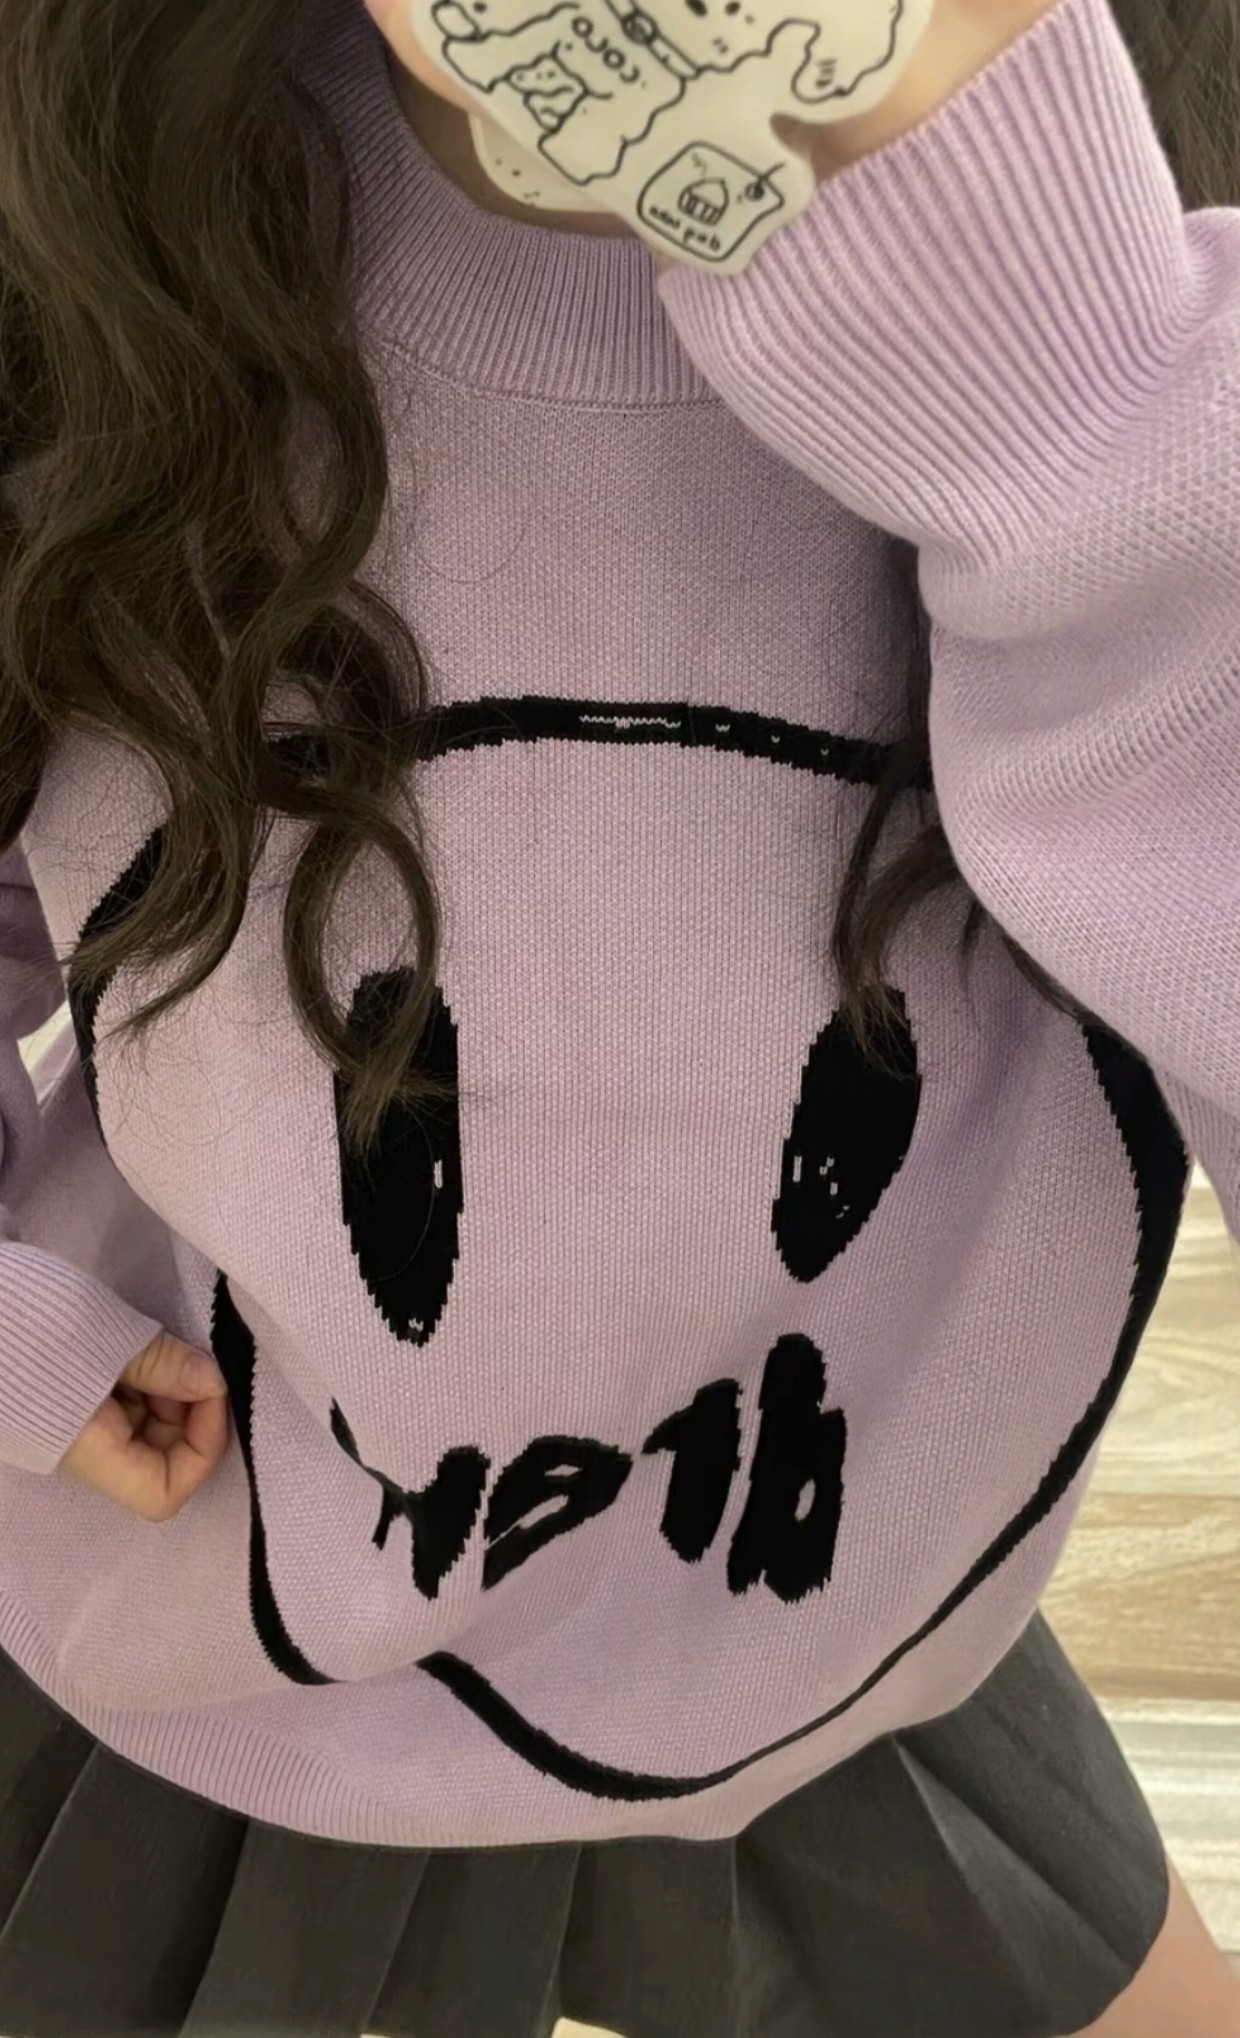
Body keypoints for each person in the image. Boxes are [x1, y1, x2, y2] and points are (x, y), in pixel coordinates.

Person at [0, 0, 1238, 2029]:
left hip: (844, 1626)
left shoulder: (1175, 198)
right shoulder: (87, 200)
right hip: (191, 1599)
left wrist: (1082, 406)